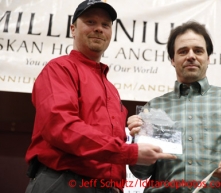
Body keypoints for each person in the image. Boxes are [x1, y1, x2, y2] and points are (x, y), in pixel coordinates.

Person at [24, 1, 176, 193]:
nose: (98, 29)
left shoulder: (112, 90)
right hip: (64, 182)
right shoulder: (60, 69)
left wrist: (135, 134)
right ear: (73, 29)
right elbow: (61, 127)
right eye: (90, 22)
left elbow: (111, 145)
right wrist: (129, 151)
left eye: (105, 25)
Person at [127, 21, 221, 193]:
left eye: (198, 50)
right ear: (172, 59)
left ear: (208, 58)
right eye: (183, 51)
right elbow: (141, 173)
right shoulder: (154, 108)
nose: (191, 56)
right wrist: (137, 145)